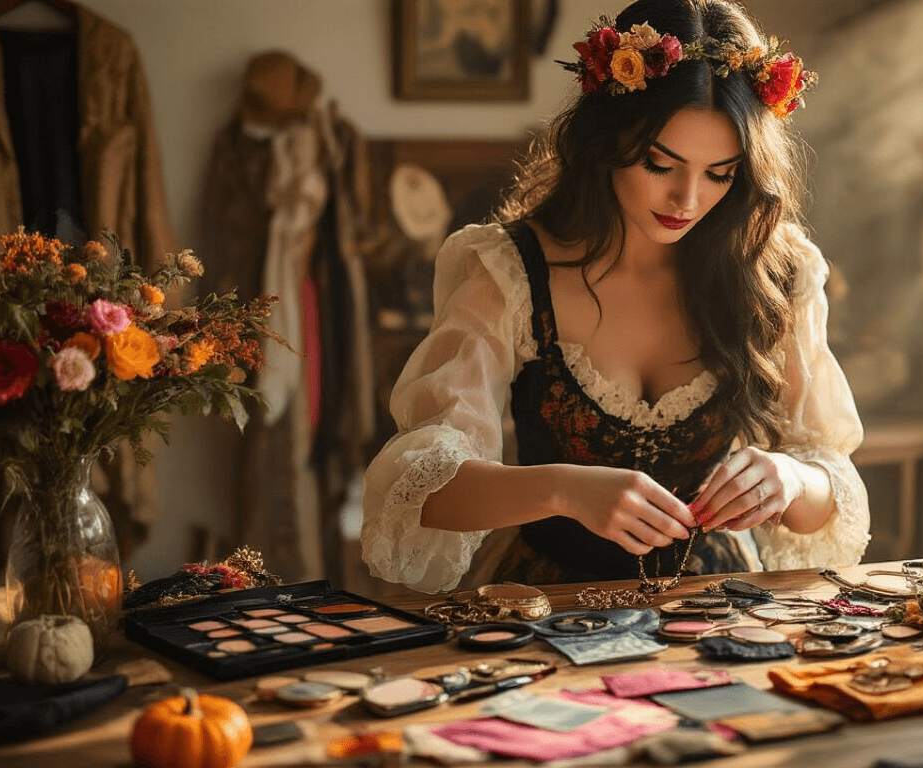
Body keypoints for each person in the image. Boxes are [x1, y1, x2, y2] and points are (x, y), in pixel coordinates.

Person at [362, 0, 870, 594]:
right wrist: (562, 489)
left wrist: (788, 478)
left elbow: (833, 487)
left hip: (716, 603)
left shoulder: (774, 274)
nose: (687, 198)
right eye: (660, 163)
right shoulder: (509, 272)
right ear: (607, 141)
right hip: (551, 601)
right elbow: (416, 489)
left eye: (720, 173)